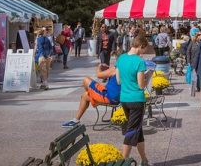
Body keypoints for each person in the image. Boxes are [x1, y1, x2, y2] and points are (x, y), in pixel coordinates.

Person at [115, 34, 151, 166]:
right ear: (140, 46)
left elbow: (118, 80)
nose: (143, 53)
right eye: (144, 50)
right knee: (131, 131)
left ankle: (144, 160)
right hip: (136, 100)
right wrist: (148, 75)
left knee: (137, 130)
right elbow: (141, 85)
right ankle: (122, 162)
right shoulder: (139, 62)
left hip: (124, 99)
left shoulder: (121, 58)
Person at [62, 63, 121, 128]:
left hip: (110, 97)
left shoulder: (117, 68)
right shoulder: (128, 68)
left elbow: (99, 75)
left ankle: (95, 100)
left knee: (86, 80)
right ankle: (76, 120)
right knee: (85, 96)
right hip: (119, 97)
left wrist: (99, 67)